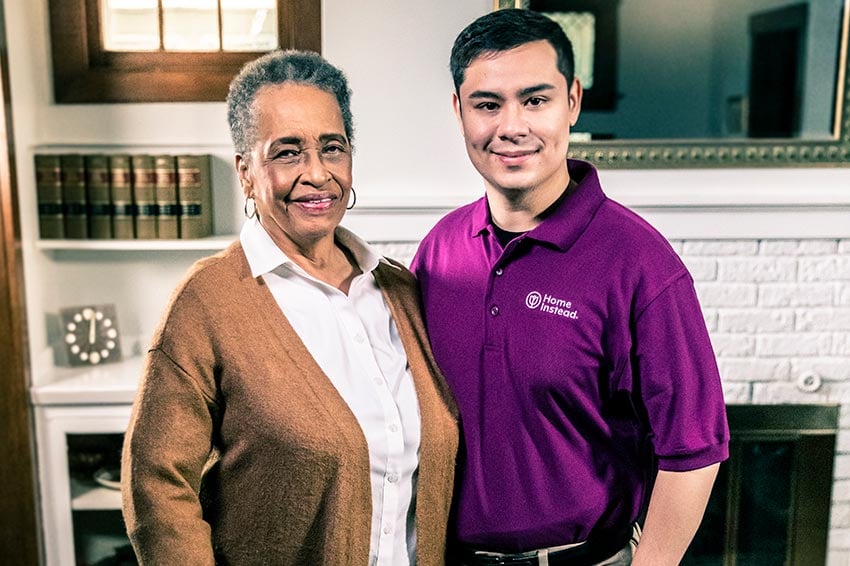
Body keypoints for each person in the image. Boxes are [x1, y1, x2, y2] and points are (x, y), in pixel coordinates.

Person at [411, 9, 729, 566]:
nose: (512, 126)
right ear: (458, 112)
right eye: (488, 104)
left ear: (573, 102)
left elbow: (694, 450)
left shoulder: (641, 264)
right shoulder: (439, 249)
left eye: (536, 100)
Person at [121, 49, 458, 566]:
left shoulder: (399, 290)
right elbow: (158, 488)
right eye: (287, 153)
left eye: (332, 148)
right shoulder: (207, 303)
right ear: (247, 174)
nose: (317, 173)